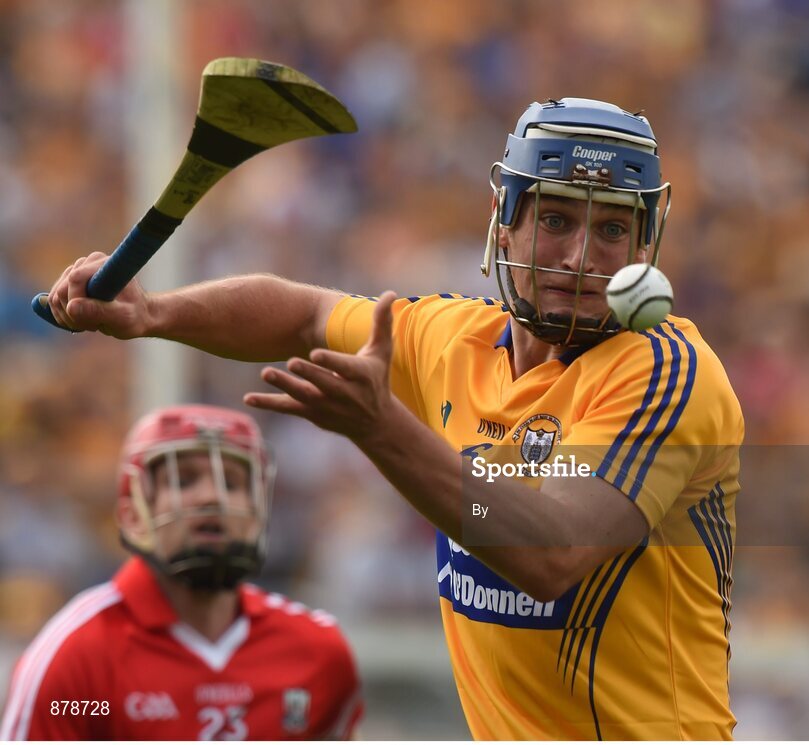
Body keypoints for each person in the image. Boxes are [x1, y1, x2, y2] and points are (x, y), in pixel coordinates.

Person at [41, 98, 743, 739]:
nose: (582, 256)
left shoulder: (665, 370)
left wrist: (380, 427)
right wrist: (155, 312)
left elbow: (551, 557)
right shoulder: (456, 340)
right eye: (556, 219)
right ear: (506, 224)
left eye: (613, 228)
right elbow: (305, 312)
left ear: (646, 247)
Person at [0, 405, 363, 740]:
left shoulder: (318, 653)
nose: (212, 497)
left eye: (232, 483)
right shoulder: (77, 657)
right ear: (133, 513)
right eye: (184, 480)